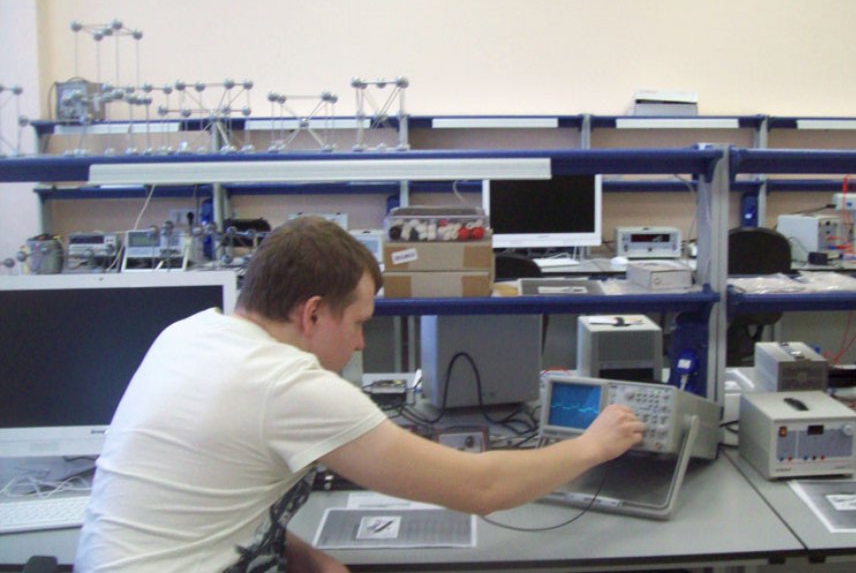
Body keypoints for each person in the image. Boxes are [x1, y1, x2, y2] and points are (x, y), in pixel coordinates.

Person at [75, 216, 644, 573]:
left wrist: (313, 561)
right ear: (312, 313)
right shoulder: (287, 384)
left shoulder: (188, 334)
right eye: (358, 323)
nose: (360, 344)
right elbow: (481, 488)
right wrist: (592, 446)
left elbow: (212, 512)